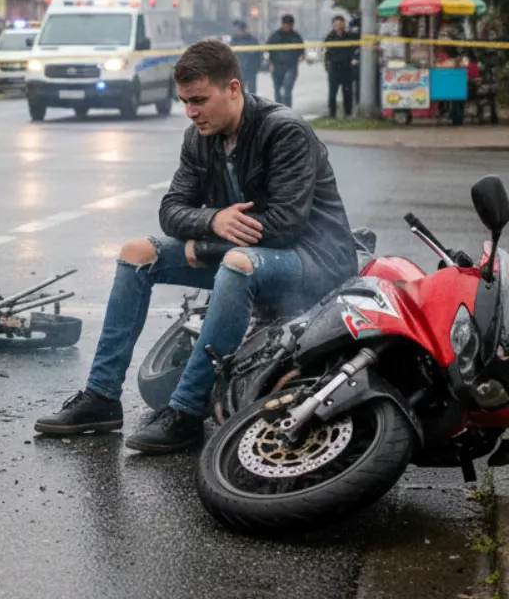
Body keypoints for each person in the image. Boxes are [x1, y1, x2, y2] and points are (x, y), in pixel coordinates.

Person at [33, 39, 358, 454]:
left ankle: (185, 413)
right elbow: (171, 210)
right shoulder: (198, 138)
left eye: (200, 100)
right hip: (245, 253)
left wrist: (204, 248)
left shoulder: (284, 130)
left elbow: (286, 226)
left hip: (314, 261)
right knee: (137, 252)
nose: (191, 111)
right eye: (185, 101)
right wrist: (213, 219)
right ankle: (101, 397)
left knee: (238, 263)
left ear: (234, 89)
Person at [323, 15, 358, 118]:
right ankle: (332, 113)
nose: (338, 26)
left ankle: (348, 113)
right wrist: (327, 64)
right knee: (332, 92)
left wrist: (353, 59)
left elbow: (354, 48)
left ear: (344, 24)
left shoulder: (349, 36)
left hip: (346, 66)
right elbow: (326, 52)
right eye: (336, 24)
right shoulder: (329, 37)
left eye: (340, 23)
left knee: (347, 92)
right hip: (334, 67)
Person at [265, 15, 303, 107]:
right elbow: (267, 51)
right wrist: (269, 63)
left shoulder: (296, 36)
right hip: (277, 66)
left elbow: (301, 51)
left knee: (287, 90)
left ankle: (287, 110)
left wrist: (301, 56)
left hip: (291, 66)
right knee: (278, 90)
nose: (288, 27)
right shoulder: (275, 36)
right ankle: (279, 110)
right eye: (286, 24)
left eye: (290, 25)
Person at [230, 20, 261, 94]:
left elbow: (258, 54)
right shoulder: (234, 40)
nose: (242, 31)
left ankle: (252, 105)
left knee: (252, 91)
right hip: (239, 69)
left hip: (251, 69)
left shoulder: (253, 40)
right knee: (239, 91)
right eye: (240, 29)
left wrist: (257, 66)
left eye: (243, 29)